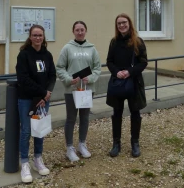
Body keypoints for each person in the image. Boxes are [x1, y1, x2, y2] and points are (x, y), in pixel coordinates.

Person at [16, 24, 57, 183]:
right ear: (30, 37)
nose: (38, 38)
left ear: (43, 37)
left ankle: (38, 159)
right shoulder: (24, 55)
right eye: (35, 35)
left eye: (40, 35)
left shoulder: (48, 55)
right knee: (26, 131)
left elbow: (52, 76)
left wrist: (48, 93)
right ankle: (25, 162)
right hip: (27, 99)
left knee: (40, 130)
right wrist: (42, 92)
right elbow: (23, 79)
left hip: (43, 100)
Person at [56, 21, 101, 162]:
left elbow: (97, 68)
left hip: (87, 90)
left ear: (86, 31)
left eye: (82, 30)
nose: (80, 32)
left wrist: (91, 78)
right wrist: (69, 79)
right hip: (72, 89)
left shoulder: (92, 49)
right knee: (71, 118)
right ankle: (69, 148)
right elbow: (60, 67)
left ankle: (82, 144)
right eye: (77, 30)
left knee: (84, 117)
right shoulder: (67, 48)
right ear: (73, 31)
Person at [106, 13, 148, 158]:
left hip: (134, 83)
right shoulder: (114, 42)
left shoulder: (138, 42)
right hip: (117, 83)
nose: (122, 25)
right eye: (119, 23)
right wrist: (117, 72)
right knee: (117, 113)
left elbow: (143, 62)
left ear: (129, 24)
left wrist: (129, 72)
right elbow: (109, 61)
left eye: (124, 22)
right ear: (116, 26)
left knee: (135, 113)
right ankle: (116, 143)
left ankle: (135, 142)